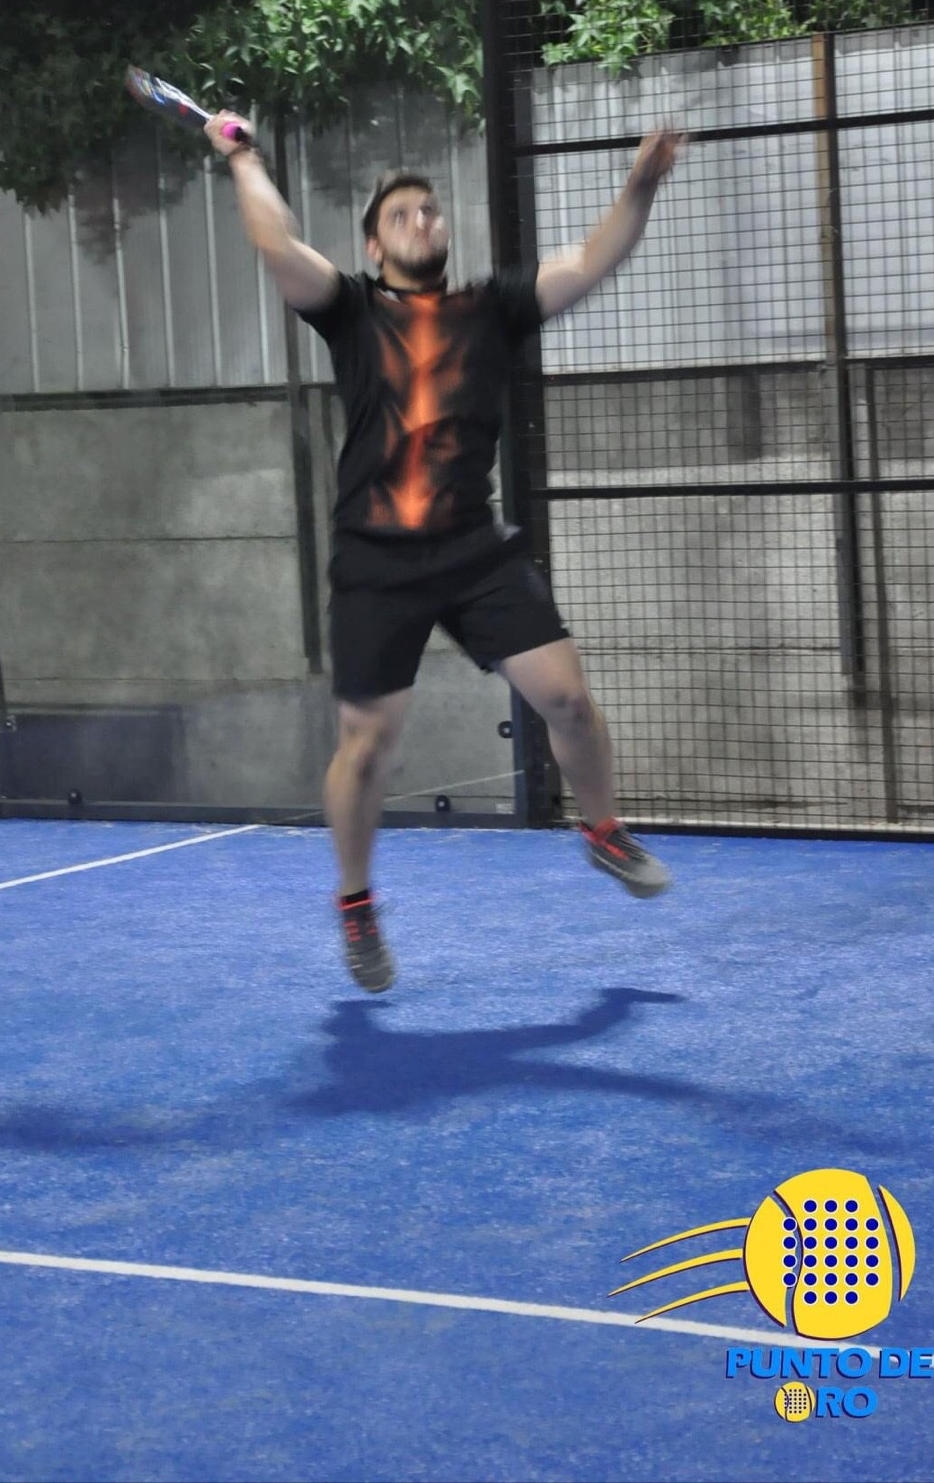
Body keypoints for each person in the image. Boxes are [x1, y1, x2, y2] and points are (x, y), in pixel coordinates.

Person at [205, 110, 684, 992]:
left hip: (473, 549)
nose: (420, 220)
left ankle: (603, 829)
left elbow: (591, 260)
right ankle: (356, 901)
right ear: (373, 244)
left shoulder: (490, 308)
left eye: (429, 210)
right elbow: (274, 243)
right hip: (375, 559)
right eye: (400, 214)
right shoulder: (350, 310)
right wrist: (243, 160)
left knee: (568, 700)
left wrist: (641, 183)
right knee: (366, 748)